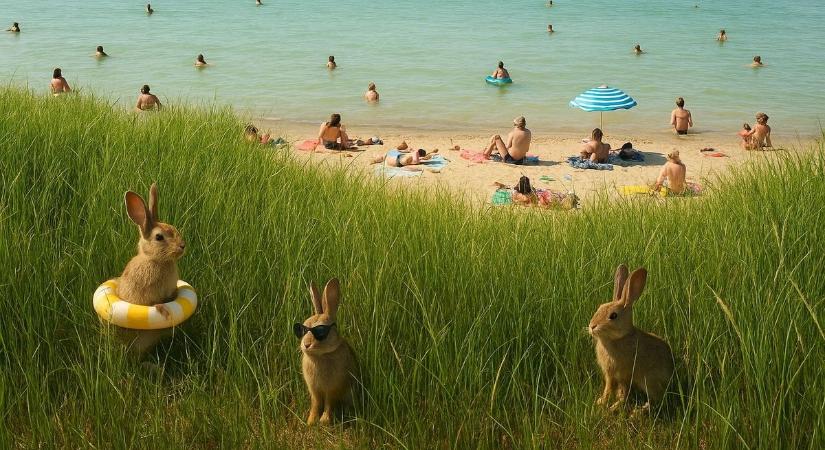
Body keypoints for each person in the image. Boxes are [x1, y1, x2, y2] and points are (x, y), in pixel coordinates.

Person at [372, 142, 437, 168]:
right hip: (399, 161)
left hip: (398, 159)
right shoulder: (416, 157)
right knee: (415, 160)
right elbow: (422, 158)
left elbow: (402, 150)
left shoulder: (412, 152)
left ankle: (375, 160)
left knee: (408, 157)